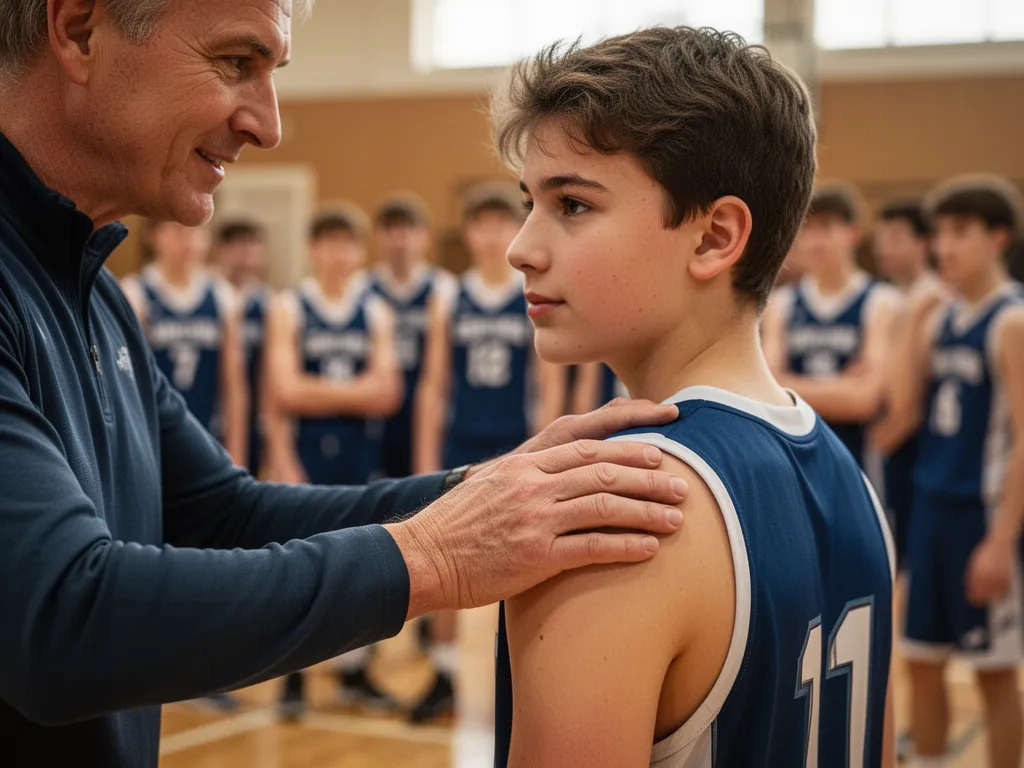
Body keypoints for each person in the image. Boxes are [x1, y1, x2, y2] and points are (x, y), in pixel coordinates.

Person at [0, 2, 696, 765]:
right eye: (237, 63)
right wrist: (430, 556)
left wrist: (491, 488)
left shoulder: (92, 292)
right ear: (77, 31)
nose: (266, 124)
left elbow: (223, 514)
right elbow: (61, 622)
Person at [491, 27, 896, 766]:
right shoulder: (854, 483)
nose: (521, 247)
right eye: (529, 202)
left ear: (714, 238)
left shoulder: (616, 511)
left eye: (572, 205)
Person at [411, 183, 567, 723]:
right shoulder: (449, 296)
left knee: (528, 562)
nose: (494, 234)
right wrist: (427, 453)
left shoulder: (534, 293)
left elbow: (547, 382)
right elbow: (434, 383)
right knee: (446, 559)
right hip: (461, 441)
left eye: (504, 223)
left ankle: (528, 678)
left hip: (514, 439)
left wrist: (548, 444)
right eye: (483, 224)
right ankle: (444, 673)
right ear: (469, 233)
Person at [884, 176, 1024, 768]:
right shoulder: (941, 315)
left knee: (993, 675)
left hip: (981, 514)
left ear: (998, 238)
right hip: (930, 509)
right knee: (920, 662)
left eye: (960, 232)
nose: (945, 246)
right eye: (939, 233)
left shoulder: (1010, 321)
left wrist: (1000, 542)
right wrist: (916, 319)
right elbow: (898, 406)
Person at [265, 206, 404, 717]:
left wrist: (314, 391)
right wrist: (354, 392)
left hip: (360, 454)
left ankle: (354, 672)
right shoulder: (289, 306)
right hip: (305, 454)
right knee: (301, 562)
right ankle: (292, 678)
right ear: (311, 249)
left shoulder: (377, 311)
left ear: (359, 252)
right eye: (327, 242)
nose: (337, 253)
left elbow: (388, 394)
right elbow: (281, 391)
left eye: (347, 243)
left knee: (363, 562)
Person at [762, 184, 902, 474]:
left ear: (853, 233)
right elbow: (766, 388)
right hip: (795, 456)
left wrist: (790, 384)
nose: (814, 241)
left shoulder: (882, 301)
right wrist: (844, 387)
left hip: (858, 461)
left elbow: (865, 401)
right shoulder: (782, 303)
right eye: (807, 229)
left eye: (826, 228)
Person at [122, 221, 249, 466]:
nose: (190, 242)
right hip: (155, 436)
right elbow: (129, 385)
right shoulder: (136, 293)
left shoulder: (223, 296)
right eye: (179, 232)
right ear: (154, 236)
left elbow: (235, 387)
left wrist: (237, 456)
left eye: (197, 233)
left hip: (207, 433)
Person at [868, 201, 945, 573]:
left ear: (925, 243)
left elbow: (902, 403)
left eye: (897, 238)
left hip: (921, 458)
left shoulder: (932, 301)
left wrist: (870, 449)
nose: (885, 248)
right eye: (881, 238)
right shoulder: (893, 299)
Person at [370, 193, 454, 479]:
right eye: (392, 230)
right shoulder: (364, 290)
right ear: (379, 237)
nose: (401, 240)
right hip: (376, 413)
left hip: (427, 406)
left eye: (409, 230)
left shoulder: (443, 289)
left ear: (426, 237)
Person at [212, 218, 273, 477]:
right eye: (239, 247)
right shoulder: (212, 294)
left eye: (252, 248)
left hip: (254, 409)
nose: (246, 256)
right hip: (213, 405)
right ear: (221, 250)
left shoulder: (268, 302)